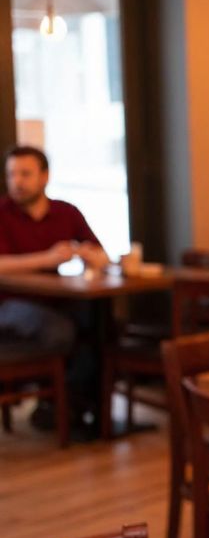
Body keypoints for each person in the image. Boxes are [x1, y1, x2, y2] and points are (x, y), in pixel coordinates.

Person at [0, 145, 110, 432]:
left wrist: (89, 255)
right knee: (61, 331)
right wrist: (47, 258)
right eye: (12, 174)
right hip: (9, 304)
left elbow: (102, 256)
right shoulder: (2, 213)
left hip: (56, 299)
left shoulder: (65, 212)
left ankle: (73, 406)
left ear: (44, 177)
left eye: (25, 174)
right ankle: (61, 402)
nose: (17, 182)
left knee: (104, 327)